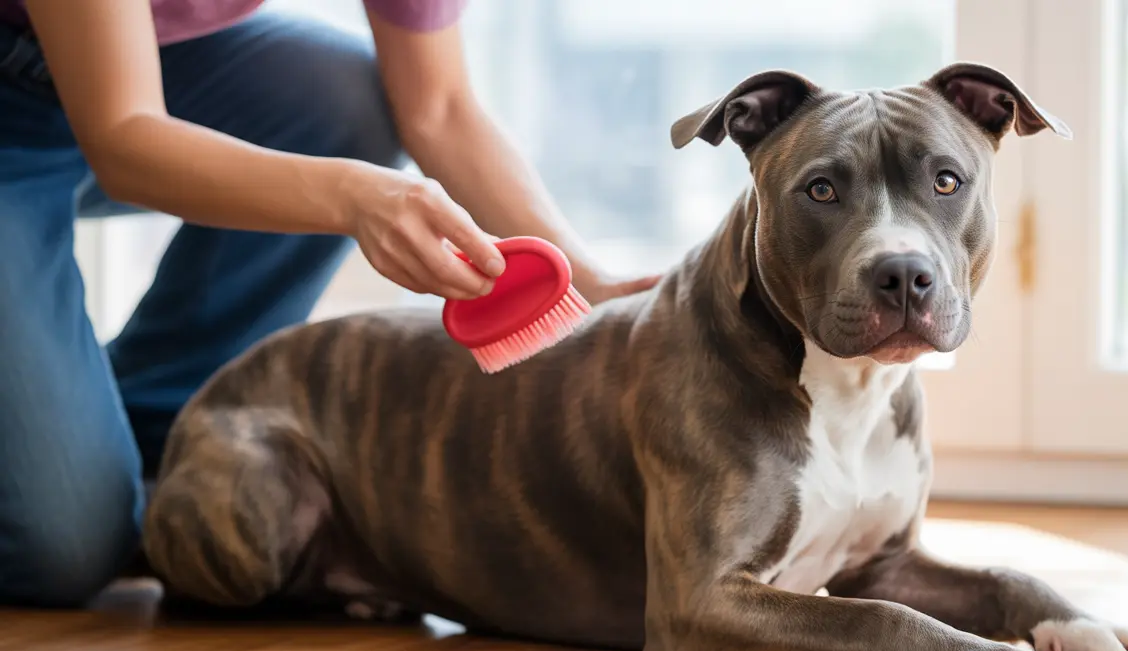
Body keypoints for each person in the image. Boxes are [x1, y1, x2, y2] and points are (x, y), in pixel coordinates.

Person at [0, 0, 658, 608]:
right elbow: (123, 141)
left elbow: (440, 107)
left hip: (147, 62)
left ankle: (151, 422)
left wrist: (583, 277)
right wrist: (351, 197)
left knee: (343, 103)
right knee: (66, 554)